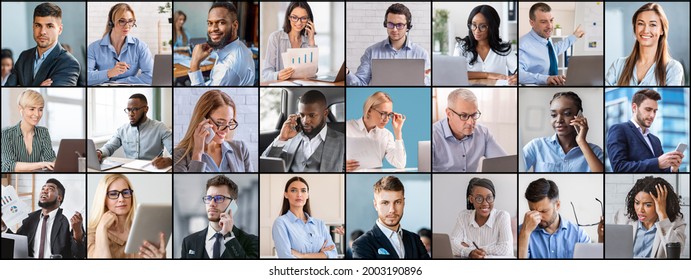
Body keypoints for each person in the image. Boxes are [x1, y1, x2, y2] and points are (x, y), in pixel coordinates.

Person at [346, 3, 430, 86]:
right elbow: (360, 84)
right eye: (390, 24)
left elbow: (428, 87)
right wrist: (347, 73)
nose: (394, 29)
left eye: (399, 25)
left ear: (407, 26)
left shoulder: (421, 54)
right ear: (385, 24)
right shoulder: (371, 52)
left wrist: (422, 81)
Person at [262, 90, 345, 172]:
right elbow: (265, 165)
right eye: (302, 115)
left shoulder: (343, 141)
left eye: (312, 115)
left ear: (325, 113)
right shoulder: (290, 138)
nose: (305, 121)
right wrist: (282, 138)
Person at [518, 178, 602, 259]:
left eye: (544, 211)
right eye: (532, 211)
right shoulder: (522, 232)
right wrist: (525, 233)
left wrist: (601, 238)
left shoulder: (578, 235)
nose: (538, 217)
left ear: (557, 205)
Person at [1, 178, 85, 259]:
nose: (44, 191)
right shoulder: (30, 218)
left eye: (50, 189)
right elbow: (17, 243)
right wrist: (3, 227)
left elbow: (79, 255)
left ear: (59, 197)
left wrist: (77, 231)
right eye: (43, 189)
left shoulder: (69, 220)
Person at [87, 174, 167, 258]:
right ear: (103, 199)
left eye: (125, 192)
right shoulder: (91, 233)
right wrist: (102, 228)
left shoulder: (144, 230)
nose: (121, 199)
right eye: (113, 194)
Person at [174, 90, 253, 172]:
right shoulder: (179, 156)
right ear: (203, 120)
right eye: (220, 122)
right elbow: (190, 184)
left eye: (230, 122)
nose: (227, 130)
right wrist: (197, 153)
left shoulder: (240, 148)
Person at [522, 91, 604, 172]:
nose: (558, 120)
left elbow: (602, 178)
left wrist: (582, 142)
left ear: (579, 115)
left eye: (567, 113)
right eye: (553, 115)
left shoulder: (595, 151)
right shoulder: (536, 146)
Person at [180, 175, 258, 259]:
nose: (211, 203)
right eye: (209, 198)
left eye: (219, 198)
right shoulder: (189, 241)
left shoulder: (251, 241)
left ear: (233, 203)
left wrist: (229, 237)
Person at [352, 176, 430, 259]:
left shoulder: (415, 239)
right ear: (375, 205)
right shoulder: (362, 244)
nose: (392, 210)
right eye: (385, 203)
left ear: (403, 203)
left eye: (397, 202)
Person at [605, 3, 683, 86]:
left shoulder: (673, 68)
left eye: (653, 25)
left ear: (662, 30)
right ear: (635, 28)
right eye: (640, 23)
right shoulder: (618, 65)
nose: (646, 30)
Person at [606, 89, 683, 172]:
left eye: (655, 111)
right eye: (648, 109)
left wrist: (672, 169)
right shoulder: (619, 130)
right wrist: (657, 163)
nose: (652, 115)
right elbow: (619, 168)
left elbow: (661, 171)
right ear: (634, 107)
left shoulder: (655, 140)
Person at [5, 2, 80, 86]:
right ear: (33, 27)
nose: (42, 32)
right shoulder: (24, 56)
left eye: (49, 26)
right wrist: (39, 87)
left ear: (60, 29)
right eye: (38, 25)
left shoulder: (69, 63)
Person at [432, 89, 506, 172]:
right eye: (464, 116)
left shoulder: (483, 133)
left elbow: (504, 164)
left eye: (474, 115)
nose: (471, 122)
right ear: (449, 114)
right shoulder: (432, 135)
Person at [615, 176, 686, 258]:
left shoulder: (676, 222)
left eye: (648, 205)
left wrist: (662, 214)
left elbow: (675, 255)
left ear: (661, 204)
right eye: (637, 203)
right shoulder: (623, 217)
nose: (640, 210)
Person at [97, 94, 173, 169]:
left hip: (153, 170)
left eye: (135, 109)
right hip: (129, 170)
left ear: (146, 109)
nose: (131, 114)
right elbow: (109, 147)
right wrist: (100, 152)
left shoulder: (160, 127)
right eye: (128, 110)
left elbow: (177, 151)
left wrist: (170, 160)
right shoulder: (122, 130)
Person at [187, 2, 254, 86]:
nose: (213, 29)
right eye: (210, 23)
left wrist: (194, 64)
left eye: (221, 22)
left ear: (235, 25)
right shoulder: (240, 45)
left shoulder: (228, 68)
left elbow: (207, 97)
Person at [518, 2, 585, 85]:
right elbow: (519, 75)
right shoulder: (523, 45)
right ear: (532, 23)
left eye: (551, 20)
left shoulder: (545, 39)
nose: (550, 26)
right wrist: (546, 79)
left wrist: (574, 36)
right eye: (543, 22)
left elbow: (554, 50)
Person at [272, 177, 338, 259]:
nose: (299, 194)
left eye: (303, 191)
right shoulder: (281, 223)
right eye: (293, 190)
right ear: (286, 194)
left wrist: (302, 256)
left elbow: (333, 255)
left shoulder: (320, 224)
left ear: (307, 195)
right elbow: (286, 258)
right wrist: (321, 255)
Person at [87, 3, 153, 85]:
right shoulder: (94, 48)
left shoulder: (140, 47)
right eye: (122, 21)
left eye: (130, 21)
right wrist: (110, 73)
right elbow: (87, 77)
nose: (127, 26)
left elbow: (150, 77)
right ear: (111, 22)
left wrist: (119, 82)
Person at [453, 5, 517, 85]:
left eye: (482, 26)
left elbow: (519, 70)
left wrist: (517, 77)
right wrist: (488, 75)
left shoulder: (504, 48)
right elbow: (456, 73)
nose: (477, 30)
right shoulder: (461, 47)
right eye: (473, 25)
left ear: (492, 27)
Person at [450, 178, 513, 258]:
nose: (485, 203)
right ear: (471, 199)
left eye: (489, 198)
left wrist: (471, 249)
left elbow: (506, 249)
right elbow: (452, 244)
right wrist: (470, 252)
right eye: (479, 198)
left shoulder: (502, 216)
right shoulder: (463, 216)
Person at [346, 91, 406, 171]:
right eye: (383, 113)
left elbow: (400, 164)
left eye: (389, 115)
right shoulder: (347, 128)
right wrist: (342, 165)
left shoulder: (386, 135)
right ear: (370, 110)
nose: (386, 119)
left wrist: (398, 133)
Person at [1, 89, 56, 172]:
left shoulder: (43, 132)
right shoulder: (6, 134)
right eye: (32, 109)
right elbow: (9, 165)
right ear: (21, 109)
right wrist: (41, 164)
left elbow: (51, 160)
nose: (37, 114)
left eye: (40, 109)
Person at [262, 1, 317, 81]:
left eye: (303, 18)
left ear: (309, 20)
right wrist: (277, 75)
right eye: (294, 17)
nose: (299, 22)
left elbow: (314, 71)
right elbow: (266, 73)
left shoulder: (308, 40)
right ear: (288, 17)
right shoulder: (275, 38)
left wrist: (311, 40)